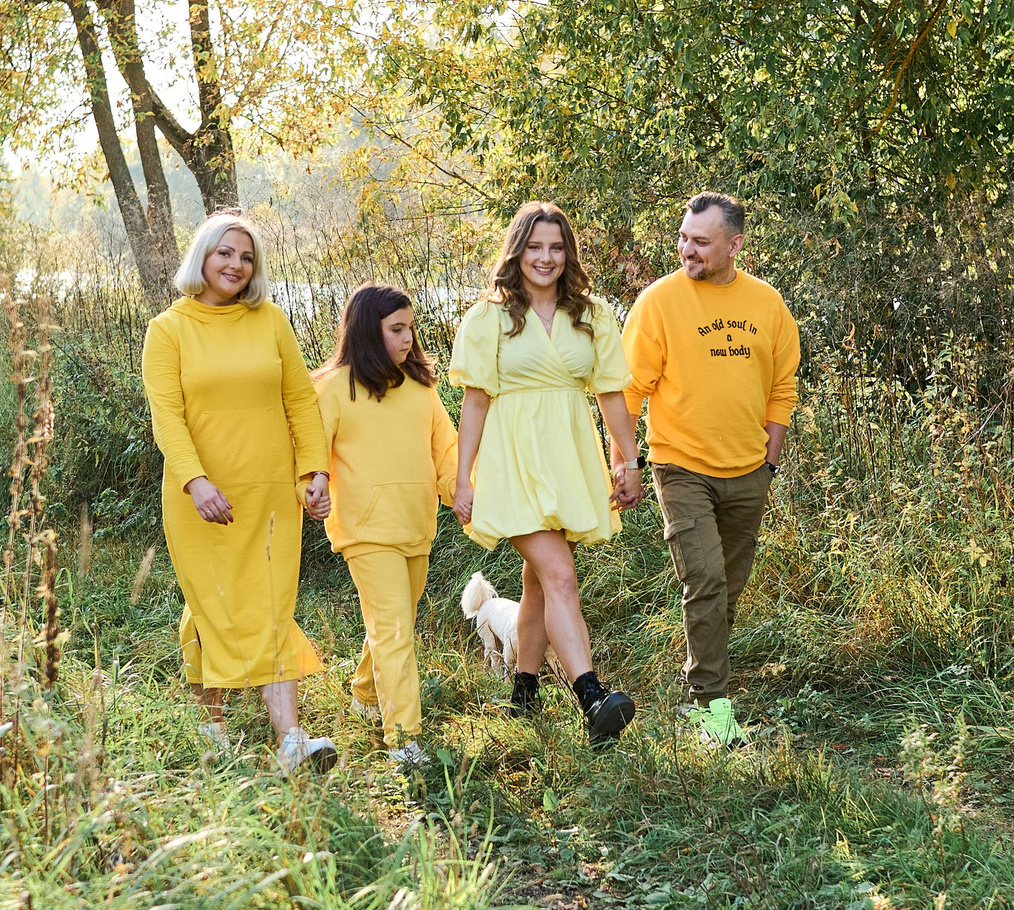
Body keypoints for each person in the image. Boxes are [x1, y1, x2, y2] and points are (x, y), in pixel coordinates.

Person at [141, 211, 340, 774]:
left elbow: (301, 402)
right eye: (225, 252)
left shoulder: (270, 320)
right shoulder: (168, 330)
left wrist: (314, 473)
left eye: (247, 257)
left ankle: (291, 741)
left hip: (270, 493)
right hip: (200, 498)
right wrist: (195, 480)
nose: (236, 265)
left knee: (271, 603)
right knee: (213, 603)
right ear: (201, 256)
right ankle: (213, 727)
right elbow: (167, 417)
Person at [450, 200, 643, 746]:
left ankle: (523, 695)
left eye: (556, 247)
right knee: (559, 575)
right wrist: (463, 478)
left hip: (568, 457)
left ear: (568, 253)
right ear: (516, 251)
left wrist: (628, 461)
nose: (546, 257)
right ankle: (592, 697)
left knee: (539, 582)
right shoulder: (489, 317)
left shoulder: (592, 315)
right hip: (512, 460)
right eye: (535, 246)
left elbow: (611, 395)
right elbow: (475, 403)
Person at [622, 192, 800, 749]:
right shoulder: (659, 303)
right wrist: (626, 462)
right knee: (705, 579)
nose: (687, 249)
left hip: (749, 470)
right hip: (681, 466)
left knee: (728, 588)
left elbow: (783, 388)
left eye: (700, 241)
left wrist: (769, 462)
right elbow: (627, 392)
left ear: (734, 245)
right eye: (683, 237)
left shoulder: (767, 304)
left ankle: (704, 689)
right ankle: (712, 709)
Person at [314, 285, 459, 769]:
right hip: (365, 529)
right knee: (395, 629)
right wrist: (310, 487)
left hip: (416, 523)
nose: (408, 338)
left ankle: (363, 693)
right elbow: (311, 453)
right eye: (397, 329)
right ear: (367, 332)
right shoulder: (332, 388)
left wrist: (461, 493)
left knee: (395, 623)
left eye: (410, 328)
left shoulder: (420, 387)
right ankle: (404, 741)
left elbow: (447, 451)